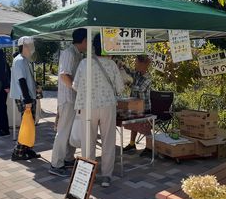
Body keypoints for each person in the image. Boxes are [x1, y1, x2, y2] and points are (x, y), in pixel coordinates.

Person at [72, 33, 124, 187]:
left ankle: (87, 175)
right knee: (108, 141)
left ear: (93, 46)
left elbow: (75, 85)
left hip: (88, 106)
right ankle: (106, 176)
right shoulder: (112, 65)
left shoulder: (84, 63)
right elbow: (120, 89)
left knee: (88, 141)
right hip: (107, 106)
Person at [49, 28, 87, 177]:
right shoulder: (69, 53)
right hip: (68, 99)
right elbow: (64, 75)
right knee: (63, 131)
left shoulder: (77, 54)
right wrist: (77, 89)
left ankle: (68, 159)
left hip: (73, 99)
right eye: (88, 40)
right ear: (84, 40)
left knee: (71, 130)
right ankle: (55, 164)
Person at [10, 36, 41, 161]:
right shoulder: (19, 60)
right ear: (24, 46)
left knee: (30, 124)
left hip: (28, 96)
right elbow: (21, 80)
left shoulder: (24, 60)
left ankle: (28, 149)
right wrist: (27, 99)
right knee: (27, 124)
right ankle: (18, 152)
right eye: (30, 45)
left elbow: (26, 79)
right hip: (24, 97)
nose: (31, 47)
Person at [122, 55, 153, 156]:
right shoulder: (137, 73)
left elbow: (139, 89)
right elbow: (130, 72)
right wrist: (123, 66)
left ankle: (149, 148)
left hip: (145, 107)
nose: (135, 64)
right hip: (135, 106)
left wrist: (128, 83)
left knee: (146, 128)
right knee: (133, 125)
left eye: (136, 63)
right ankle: (132, 144)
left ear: (143, 64)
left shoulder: (148, 77)